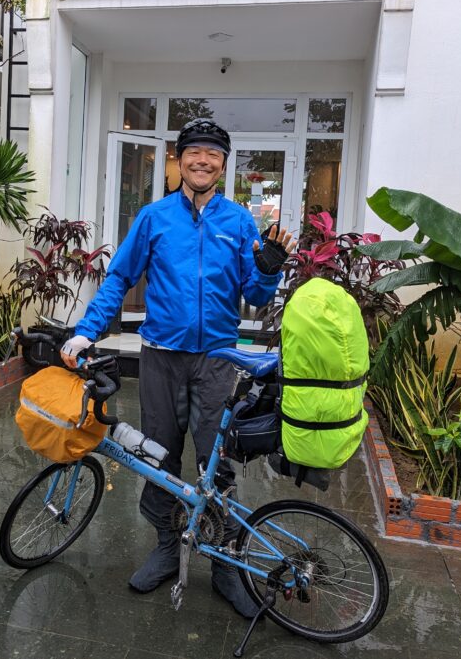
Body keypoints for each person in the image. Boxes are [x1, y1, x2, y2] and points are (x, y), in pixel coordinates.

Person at [61, 118, 296, 618]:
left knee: (219, 463)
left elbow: (254, 295)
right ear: (180, 160)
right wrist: (87, 330)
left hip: (217, 361)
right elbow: (120, 276)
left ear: (224, 165)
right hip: (161, 359)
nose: (203, 161)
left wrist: (270, 266)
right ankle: (167, 547)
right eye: (194, 153)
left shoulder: (239, 222)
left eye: (213, 154)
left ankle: (227, 565)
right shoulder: (154, 218)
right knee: (158, 457)